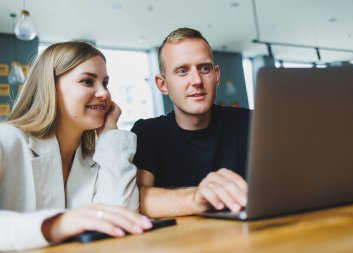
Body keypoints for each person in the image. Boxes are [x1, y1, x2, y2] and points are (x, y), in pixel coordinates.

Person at [0, 42, 152, 251]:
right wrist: (57, 224)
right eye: (88, 81)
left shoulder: (96, 159)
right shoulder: (6, 140)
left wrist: (109, 132)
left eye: (105, 83)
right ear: (51, 87)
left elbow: (120, 216)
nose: (104, 94)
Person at [131, 28, 251, 218]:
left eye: (204, 68)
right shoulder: (147, 133)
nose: (196, 80)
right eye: (182, 71)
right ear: (162, 85)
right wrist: (197, 198)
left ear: (216, 75)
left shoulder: (250, 122)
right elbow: (137, 198)